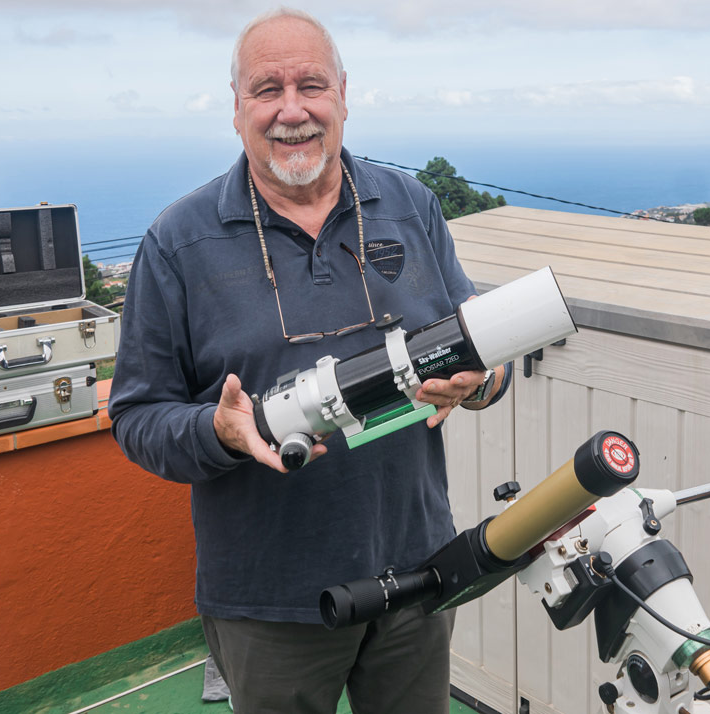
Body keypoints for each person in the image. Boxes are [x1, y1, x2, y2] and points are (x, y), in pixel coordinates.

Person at [108, 8, 511, 714]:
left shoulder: (409, 205)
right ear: (236, 108)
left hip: (417, 573)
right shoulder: (178, 241)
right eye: (267, 89)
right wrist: (220, 433)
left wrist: (484, 384)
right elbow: (137, 415)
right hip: (268, 605)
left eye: (311, 86)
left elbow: (481, 344)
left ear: (344, 97)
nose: (291, 110)